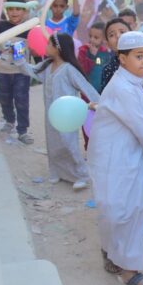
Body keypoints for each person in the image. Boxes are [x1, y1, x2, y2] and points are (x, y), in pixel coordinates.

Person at [89, 31, 143, 285]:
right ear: (122, 59)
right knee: (124, 208)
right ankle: (125, 267)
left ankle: (122, 262)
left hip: (123, 153)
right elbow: (141, 127)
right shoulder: (123, 87)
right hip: (114, 156)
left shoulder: (133, 82)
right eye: (139, 56)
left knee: (129, 208)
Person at [30, 33, 99, 191]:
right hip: (50, 112)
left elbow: (84, 86)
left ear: (58, 48)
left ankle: (81, 175)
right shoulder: (47, 66)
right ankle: (57, 172)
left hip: (67, 114)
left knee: (68, 143)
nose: (46, 47)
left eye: (49, 44)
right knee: (52, 142)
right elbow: (33, 72)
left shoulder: (68, 69)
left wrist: (98, 102)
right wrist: (19, 60)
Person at [0, 0, 34, 144]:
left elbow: (35, 47)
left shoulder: (28, 27)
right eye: (11, 9)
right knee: (4, 98)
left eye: (18, 9)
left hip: (21, 72)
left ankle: (23, 130)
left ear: (24, 12)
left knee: (22, 100)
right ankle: (10, 120)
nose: (14, 12)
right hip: (2, 70)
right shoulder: (0, 26)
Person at [78, 22, 113, 93]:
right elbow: (82, 71)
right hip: (86, 92)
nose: (92, 40)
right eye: (90, 36)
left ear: (105, 39)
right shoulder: (83, 51)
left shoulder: (107, 53)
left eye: (96, 37)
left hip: (102, 93)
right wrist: (91, 56)